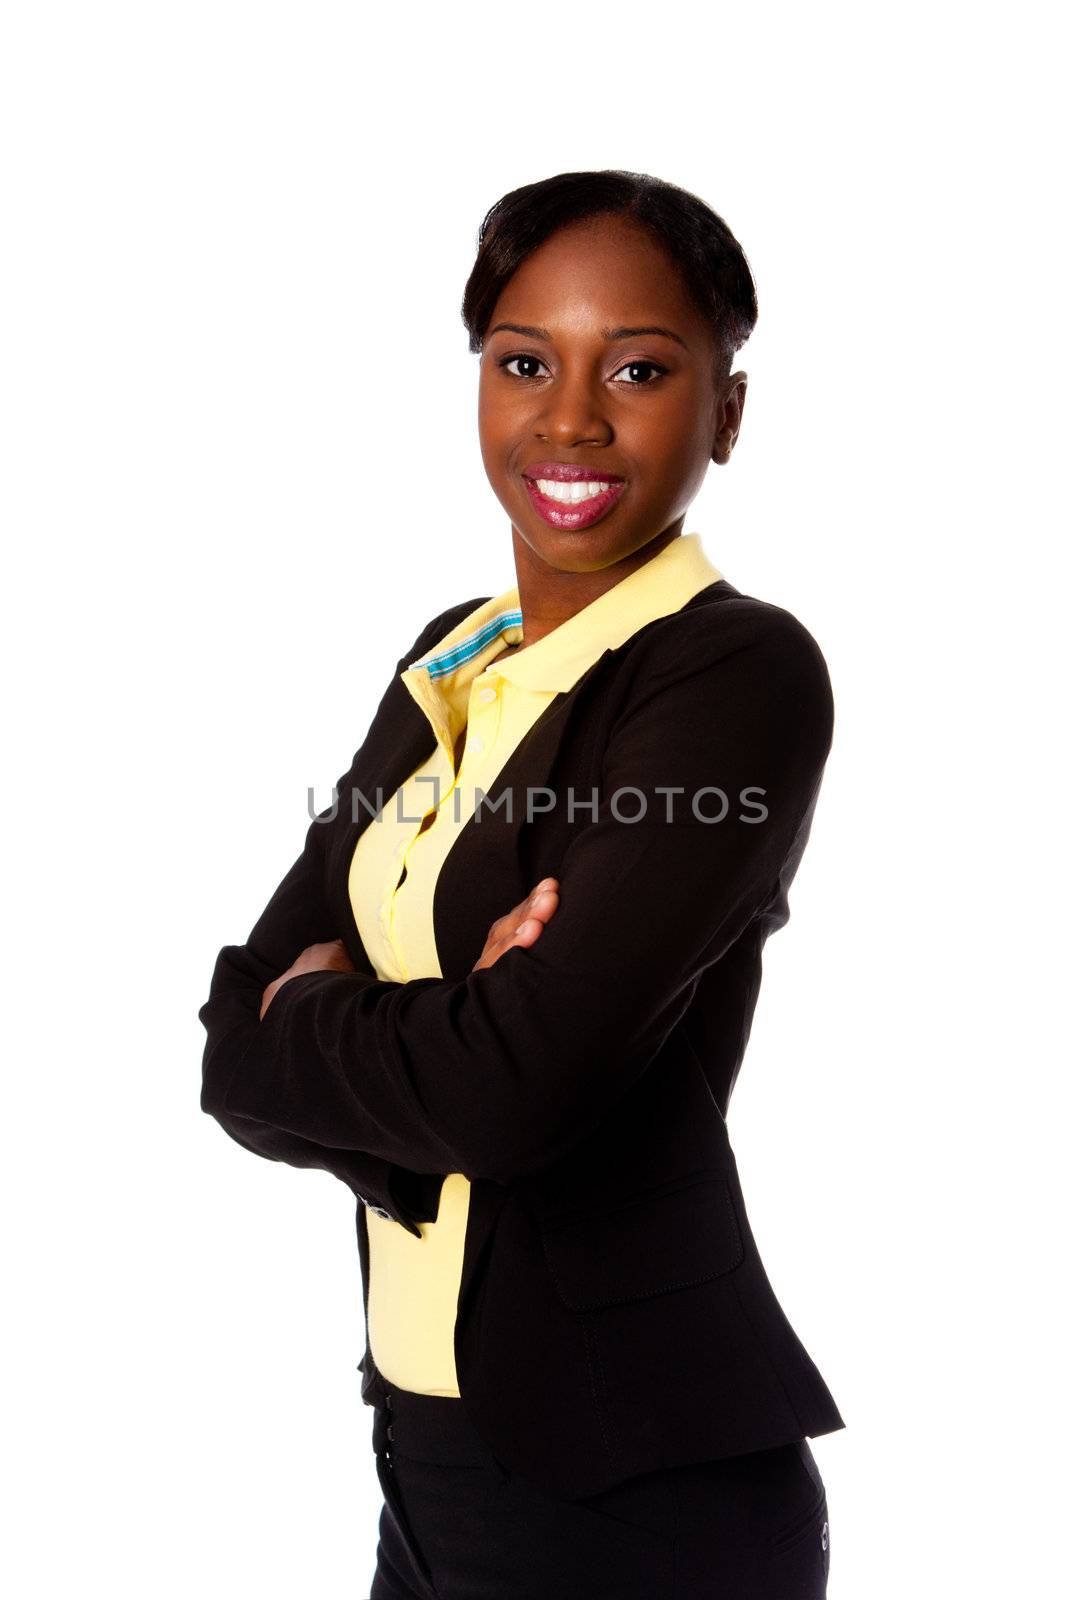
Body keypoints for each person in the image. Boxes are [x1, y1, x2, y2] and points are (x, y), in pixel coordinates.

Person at [200, 169, 845, 1599]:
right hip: (422, 1461)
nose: (570, 419)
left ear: (726, 412)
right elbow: (228, 1047)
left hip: (637, 1490)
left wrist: (339, 1016)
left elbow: (519, 1088)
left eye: (640, 368)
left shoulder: (732, 674)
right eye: (522, 363)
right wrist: (415, 1029)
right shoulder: (451, 654)